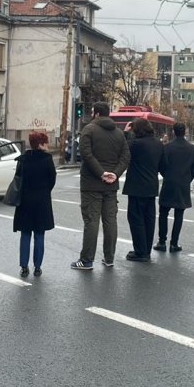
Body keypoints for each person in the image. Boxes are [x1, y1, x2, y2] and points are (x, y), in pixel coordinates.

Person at [73, 102, 130, 270]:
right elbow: (126, 157)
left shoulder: (89, 130)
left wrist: (100, 173)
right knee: (110, 221)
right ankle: (109, 258)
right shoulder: (119, 133)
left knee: (91, 221)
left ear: (96, 114)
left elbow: (86, 154)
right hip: (111, 186)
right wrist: (115, 174)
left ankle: (87, 260)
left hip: (91, 184)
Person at [122, 118, 166, 262]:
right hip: (151, 187)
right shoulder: (159, 144)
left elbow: (123, 149)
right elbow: (163, 166)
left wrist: (126, 132)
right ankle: (146, 250)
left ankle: (140, 252)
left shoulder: (136, 144)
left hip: (136, 187)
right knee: (149, 219)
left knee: (136, 219)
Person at [14, 131, 57, 277]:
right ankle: (37, 267)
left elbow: (18, 179)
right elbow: (52, 179)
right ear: (40, 144)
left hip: (25, 201)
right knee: (39, 234)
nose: (47, 145)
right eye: (45, 142)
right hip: (42, 201)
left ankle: (24, 266)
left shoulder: (23, 159)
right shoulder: (47, 159)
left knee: (25, 234)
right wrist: (44, 191)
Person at [156, 123, 194, 253]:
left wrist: (167, 175)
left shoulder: (167, 147)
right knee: (179, 214)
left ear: (173, 132)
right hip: (183, 184)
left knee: (163, 213)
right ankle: (174, 244)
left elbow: (161, 165)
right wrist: (187, 179)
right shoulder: (191, 148)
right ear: (184, 132)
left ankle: (162, 242)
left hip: (169, 182)